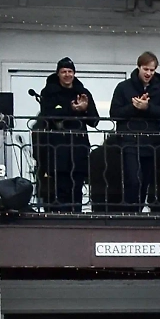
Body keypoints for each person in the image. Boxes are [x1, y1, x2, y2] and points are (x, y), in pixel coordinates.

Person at [109, 52, 160, 212]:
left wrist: (148, 107)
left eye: (152, 70)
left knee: (145, 181)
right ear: (138, 67)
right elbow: (114, 113)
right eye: (146, 69)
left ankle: (137, 212)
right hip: (129, 141)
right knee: (133, 179)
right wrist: (134, 107)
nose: (148, 73)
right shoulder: (123, 87)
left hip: (151, 143)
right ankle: (129, 213)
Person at [35, 58, 99, 211]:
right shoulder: (49, 92)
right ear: (58, 74)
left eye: (70, 71)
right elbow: (48, 115)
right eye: (64, 71)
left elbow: (94, 121)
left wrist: (84, 109)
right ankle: (60, 217)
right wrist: (72, 110)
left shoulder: (83, 92)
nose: (67, 75)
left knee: (77, 187)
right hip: (57, 148)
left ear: (74, 73)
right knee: (60, 187)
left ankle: (76, 216)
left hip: (79, 148)